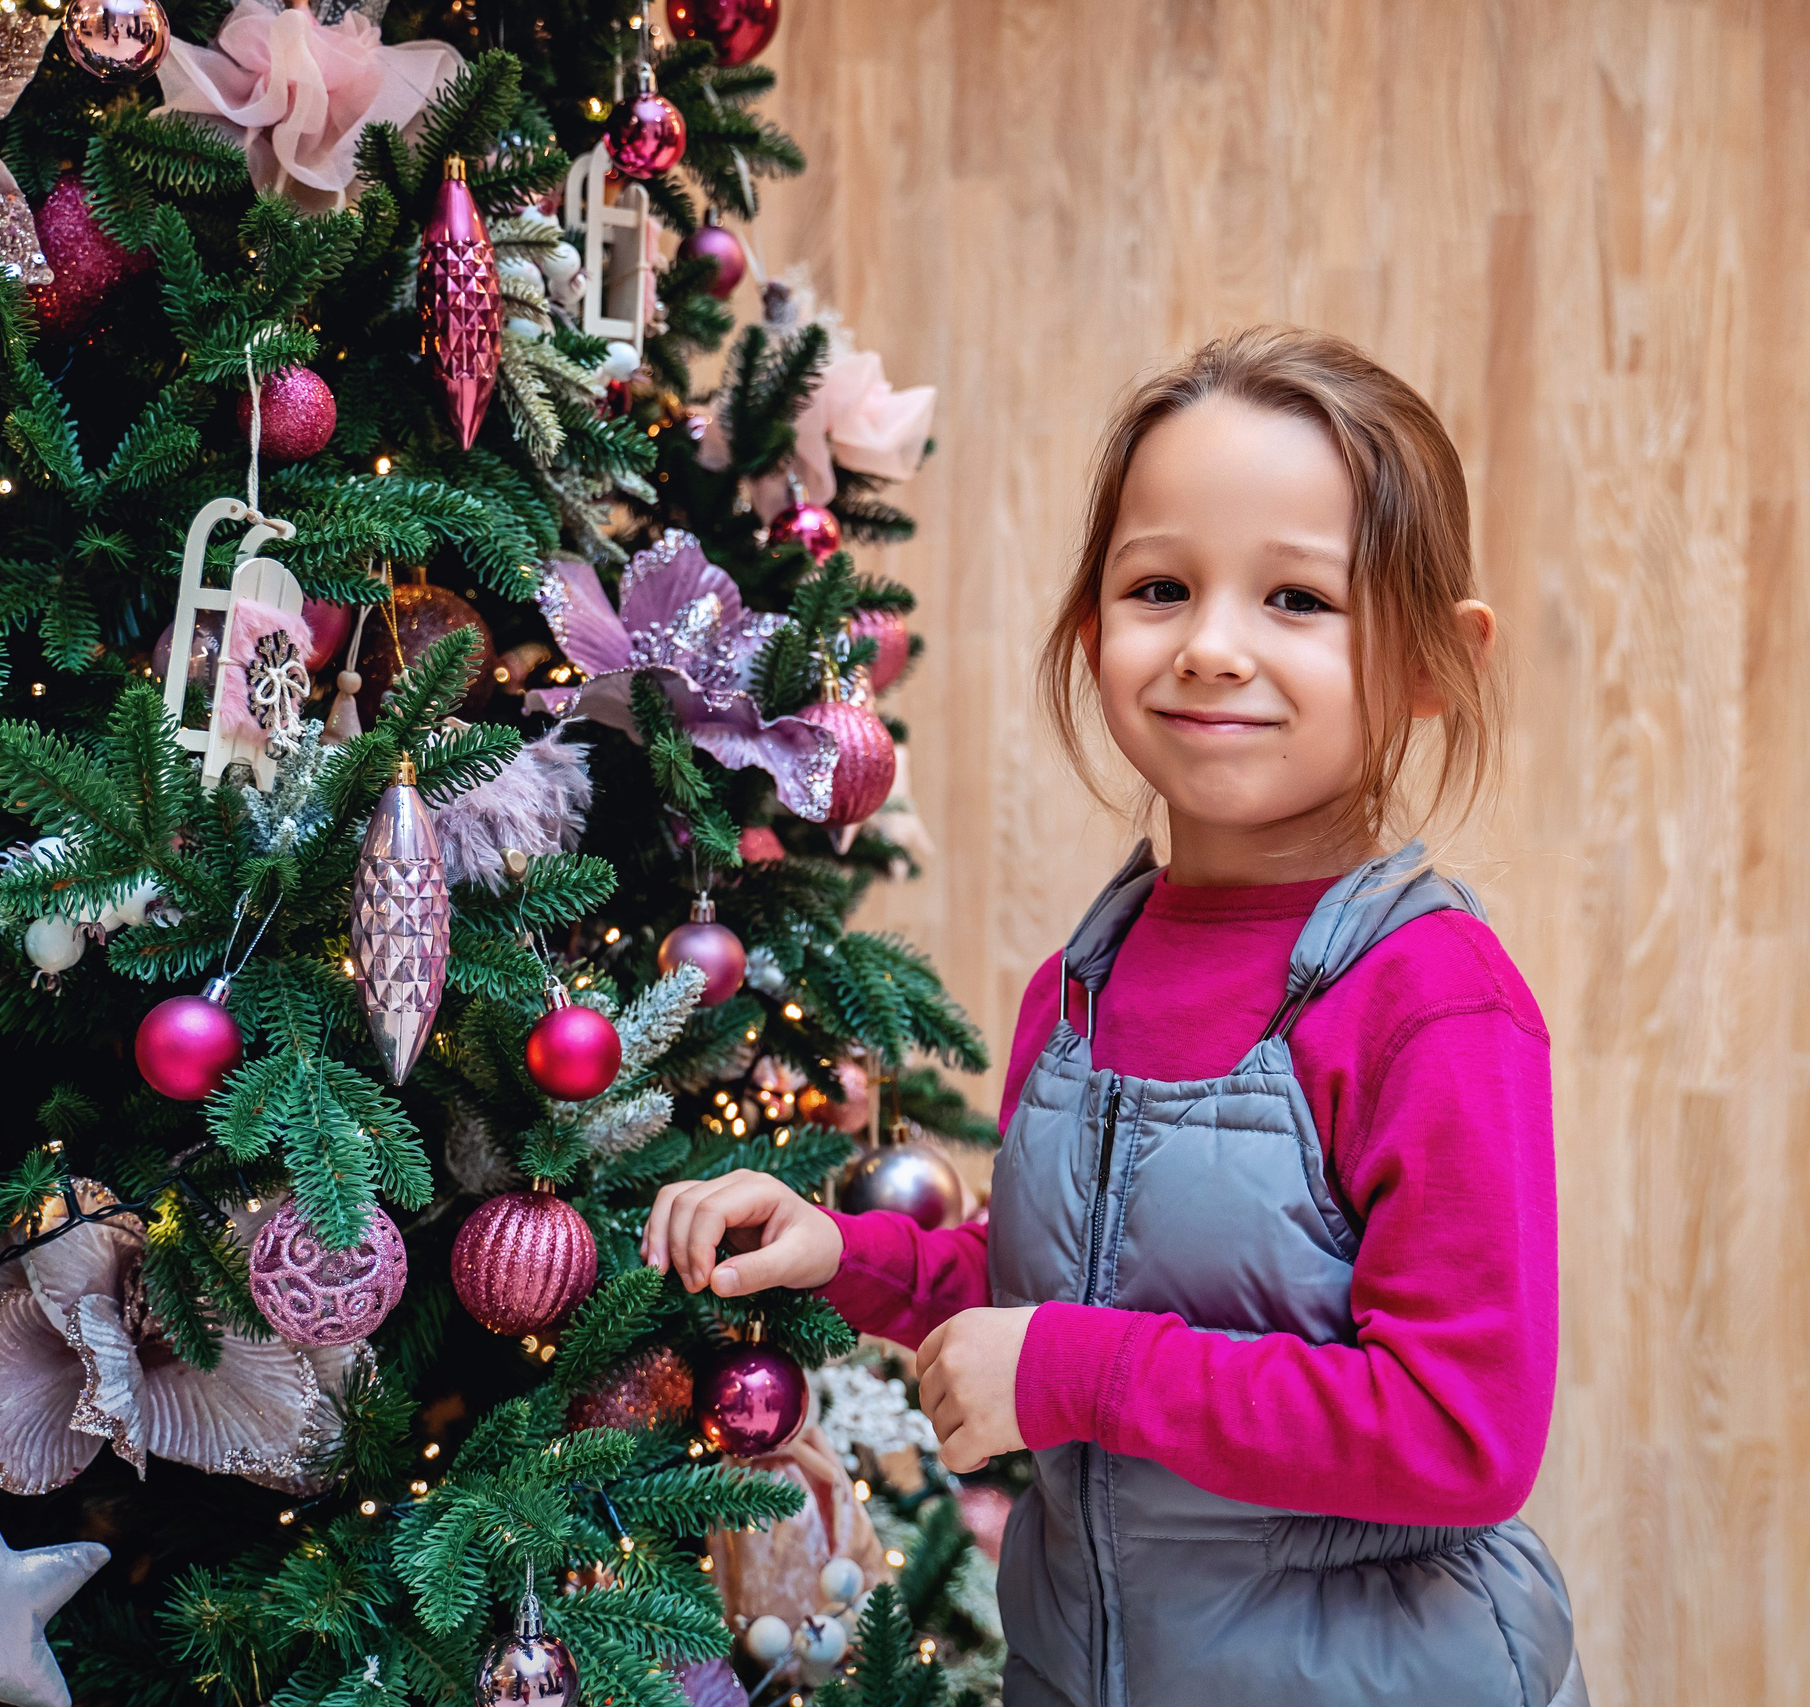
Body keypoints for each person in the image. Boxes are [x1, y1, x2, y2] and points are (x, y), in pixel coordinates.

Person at [643, 327, 1584, 1707]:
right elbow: (1058, 1291)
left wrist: (1084, 1374)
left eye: (1298, 602)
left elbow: (1459, 1432)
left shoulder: (1433, 1002)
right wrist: (835, 1253)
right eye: (1161, 586)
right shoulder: (1084, 981)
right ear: (1093, 629)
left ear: (1437, 660)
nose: (1212, 647)